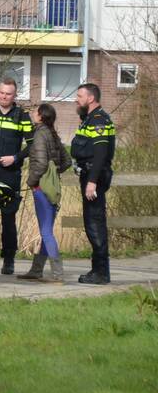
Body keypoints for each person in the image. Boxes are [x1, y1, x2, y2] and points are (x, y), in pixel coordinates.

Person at [0, 78, 34, 274]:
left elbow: (33, 144)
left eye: (8, 94)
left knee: (9, 219)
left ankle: (8, 259)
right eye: (1, 93)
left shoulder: (22, 116)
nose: (4, 97)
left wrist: (16, 158)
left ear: (15, 95)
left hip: (10, 172)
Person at [19, 103, 73, 282]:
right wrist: (54, 173)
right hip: (54, 187)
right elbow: (67, 161)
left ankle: (58, 274)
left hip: (41, 188)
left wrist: (31, 181)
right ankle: (36, 270)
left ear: (41, 116)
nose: (33, 113)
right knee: (46, 229)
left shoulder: (40, 134)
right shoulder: (52, 134)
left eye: (35, 112)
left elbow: (41, 164)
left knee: (46, 232)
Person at [71, 83, 116, 285]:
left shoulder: (98, 120)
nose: (76, 99)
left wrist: (92, 182)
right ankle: (97, 270)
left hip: (94, 176)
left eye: (79, 96)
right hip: (90, 175)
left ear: (90, 98)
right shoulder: (89, 119)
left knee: (94, 223)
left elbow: (100, 154)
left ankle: (100, 273)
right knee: (92, 222)